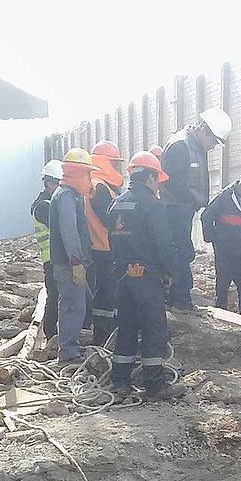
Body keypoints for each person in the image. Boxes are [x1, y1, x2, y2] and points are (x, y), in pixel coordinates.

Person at [106, 152, 185, 403]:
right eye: (157, 179)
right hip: (146, 276)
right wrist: (173, 271)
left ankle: (120, 381)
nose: (159, 184)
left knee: (127, 328)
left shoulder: (116, 203)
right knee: (153, 330)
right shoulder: (153, 206)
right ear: (150, 177)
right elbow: (163, 244)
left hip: (122, 275)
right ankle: (154, 385)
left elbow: (111, 241)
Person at [158, 107, 232, 310]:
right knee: (181, 252)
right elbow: (170, 181)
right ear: (203, 130)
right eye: (214, 142)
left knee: (182, 251)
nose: (213, 147)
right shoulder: (181, 145)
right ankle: (179, 300)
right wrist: (190, 199)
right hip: (174, 209)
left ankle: (179, 298)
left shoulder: (194, 145)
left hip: (183, 209)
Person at [47, 148, 94, 365]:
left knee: (76, 302)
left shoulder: (68, 195)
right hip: (68, 264)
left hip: (67, 263)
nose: (90, 179)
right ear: (78, 173)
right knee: (73, 305)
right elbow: (69, 230)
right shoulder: (66, 197)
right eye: (88, 174)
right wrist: (76, 262)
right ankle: (68, 352)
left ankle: (69, 346)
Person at [200, 170, 241, 315]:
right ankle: (220, 318)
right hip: (224, 251)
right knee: (222, 287)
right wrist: (212, 237)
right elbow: (206, 215)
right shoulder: (224, 197)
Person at [86, 141, 125, 344]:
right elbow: (109, 219)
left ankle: (105, 335)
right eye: (115, 163)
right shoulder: (99, 186)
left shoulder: (98, 184)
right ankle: (104, 337)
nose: (118, 169)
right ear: (105, 162)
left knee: (107, 294)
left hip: (101, 247)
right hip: (104, 248)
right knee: (107, 295)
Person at [30, 159, 64, 338]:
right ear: (50, 183)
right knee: (55, 298)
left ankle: (53, 333)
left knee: (56, 297)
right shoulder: (43, 206)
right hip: (52, 259)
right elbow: (60, 226)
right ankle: (51, 334)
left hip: (54, 258)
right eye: (59, 183)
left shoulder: (47, 202)